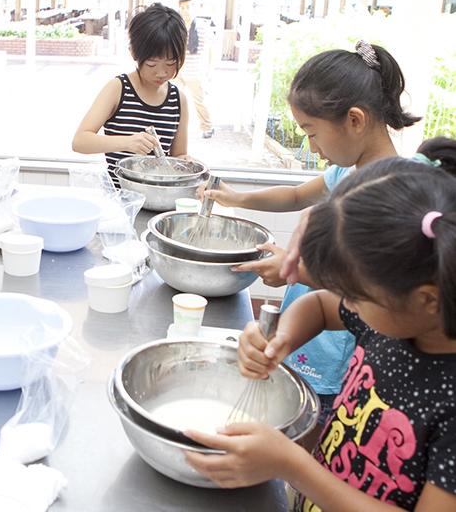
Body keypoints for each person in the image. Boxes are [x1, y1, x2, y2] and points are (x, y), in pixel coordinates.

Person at [186, 154, 456, 511]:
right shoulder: (403, 320)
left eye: (355, 296)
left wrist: (294, 466)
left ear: (428, 299)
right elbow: (320, 307)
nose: (346, 304)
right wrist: (284, 334)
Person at [200, 42, 419, 424]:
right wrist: (237, 199)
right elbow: (296, 195)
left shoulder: (391, 194)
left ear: (355, 120)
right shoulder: (346, 173)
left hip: (338, 353)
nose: (312, 148)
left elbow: (371, 289)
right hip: (308, 332)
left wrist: (296, 269)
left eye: (312, 132)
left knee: (315, 430)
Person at [72, 3, 190, 185]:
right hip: (119, 198)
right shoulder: (118, 89)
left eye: (171, 63)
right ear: (134, 53)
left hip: (159, 198)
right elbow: (80, 141)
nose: (161, 72)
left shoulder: (178, 100)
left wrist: (188, 162)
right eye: (152, 64)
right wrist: (126, 143)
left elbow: (178, 155)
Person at [177, 0, 214, 138]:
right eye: (183, 7)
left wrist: (209, 71)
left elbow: (211, 51)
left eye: (188, 7)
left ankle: (207, 126)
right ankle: (174, 126)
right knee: (174, 99)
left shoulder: (202, 27)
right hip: (177, 71)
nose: (185, 10)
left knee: (199, 101)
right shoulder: (176, 26)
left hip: (194, 72)